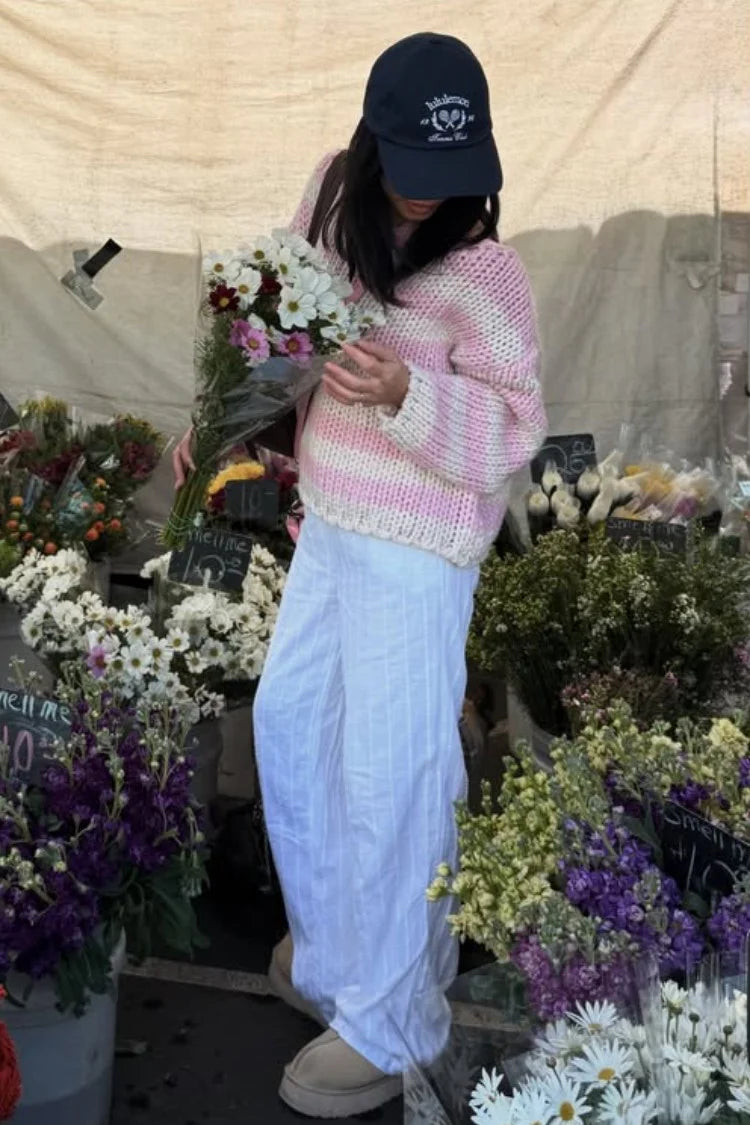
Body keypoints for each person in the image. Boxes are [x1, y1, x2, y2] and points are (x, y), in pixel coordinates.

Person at [174, 31, 547, 1119]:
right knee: (295, 726)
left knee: (392, 775)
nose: (429, 201)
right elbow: (280, 326)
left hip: (420, 550)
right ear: (371, 143)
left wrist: (407, 396)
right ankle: (341, 959)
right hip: (333, 520)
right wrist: (235, 423)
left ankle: (397, 1021)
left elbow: (517, 432)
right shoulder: (335, 198)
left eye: (452, 176)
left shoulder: (491, 277)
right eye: (411, 173)